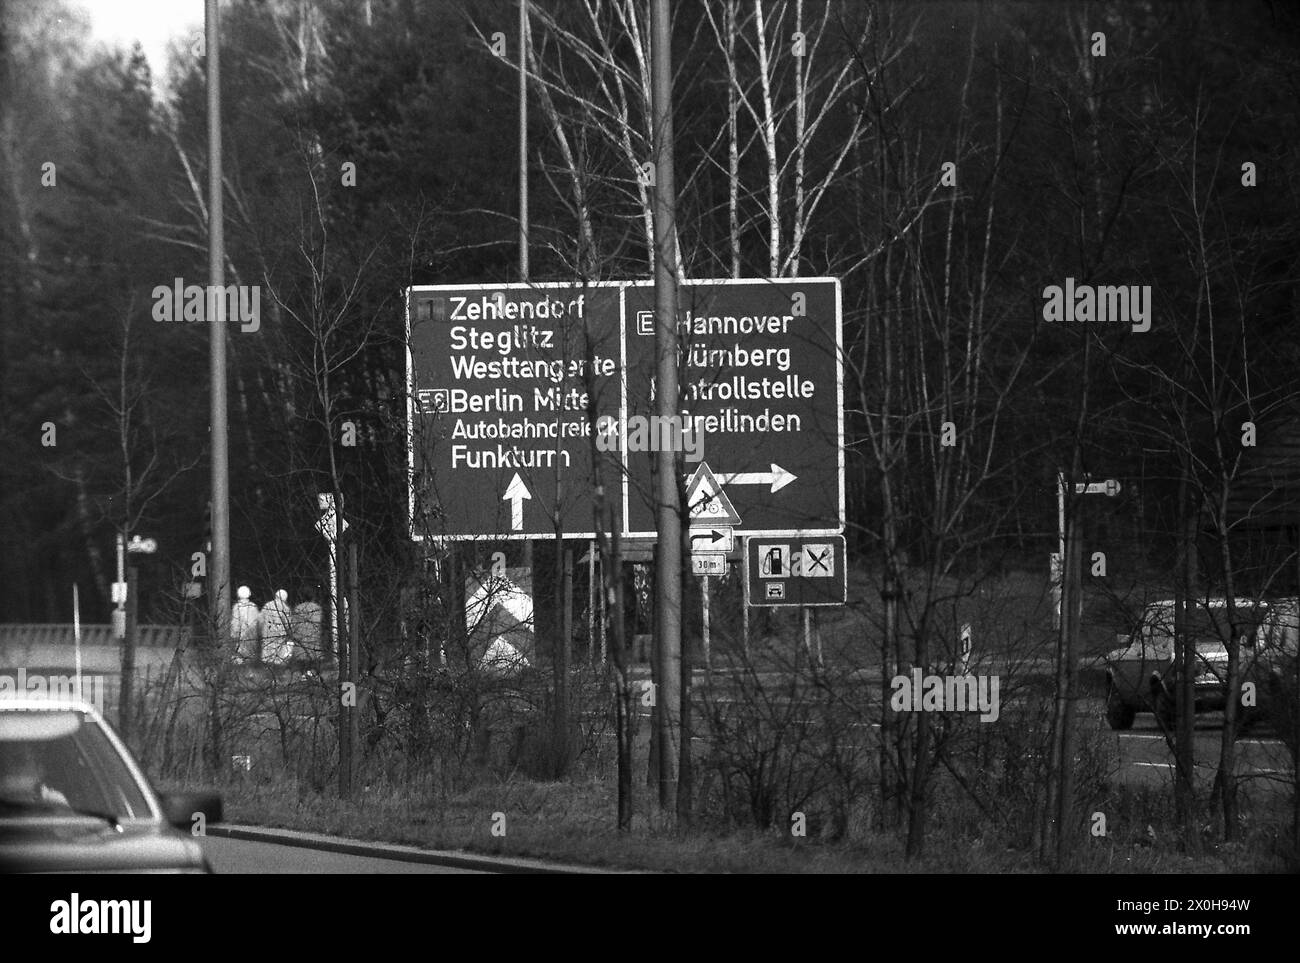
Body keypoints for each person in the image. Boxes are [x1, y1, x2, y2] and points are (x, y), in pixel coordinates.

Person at [0, 741, 70, 808]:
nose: (13, 768)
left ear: (40, 770)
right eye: (4, 762)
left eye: (20, 761)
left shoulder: (54, 801)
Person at [260, 589, 294, 665]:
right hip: (280, 635)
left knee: (267, 653)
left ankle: (267, 667)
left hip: (267, 634)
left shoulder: (267, 605)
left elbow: (261, 620)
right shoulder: (286, 608)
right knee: (278, 653)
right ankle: (277, 668)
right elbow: (288, 624)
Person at [292, 589, 324, 666]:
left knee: (301, 661)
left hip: (301, 639)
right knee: (314, 661)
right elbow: (320, 623)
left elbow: (294, 624)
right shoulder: (318, 609)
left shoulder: (298, 609)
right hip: (315, 638)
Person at [230, 586, 260, 664]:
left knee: (240, 650)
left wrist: (234, 633)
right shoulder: (253, 606)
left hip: (241, 634)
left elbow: (234, 622)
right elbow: (257, 621)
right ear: (249, 594)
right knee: (249, 652)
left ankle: (242, 664)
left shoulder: (236, 607)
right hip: (251, 634)